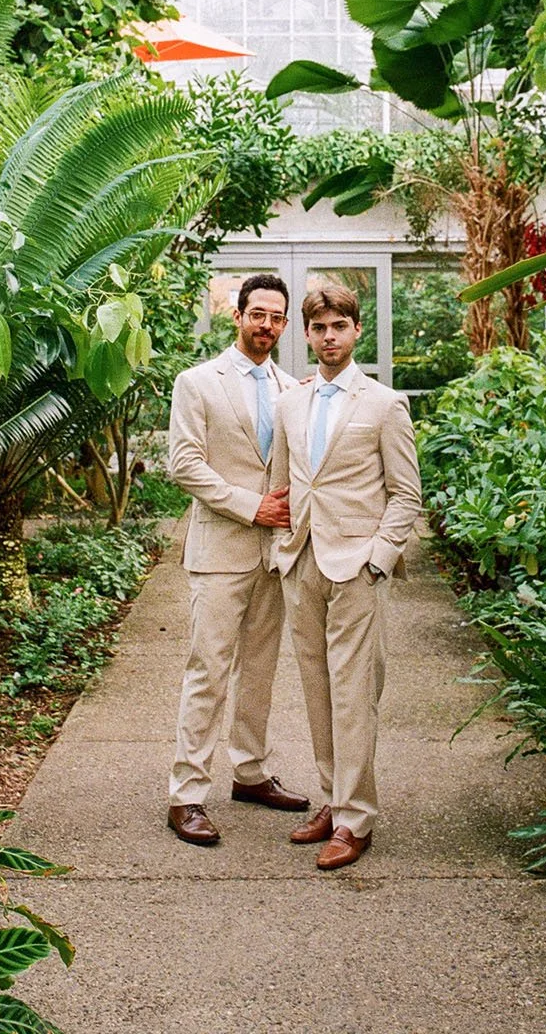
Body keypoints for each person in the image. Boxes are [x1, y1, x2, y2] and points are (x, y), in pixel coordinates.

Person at [270, 283, 422, 871]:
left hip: (355, 567)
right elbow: (281, 485)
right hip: (303, 561)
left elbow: (405, 495)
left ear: (357, 331)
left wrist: (377, 558)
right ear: (306, 335)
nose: (328, 336)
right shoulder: (291, 403)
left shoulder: (385, 405)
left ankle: (356, 820)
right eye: (318, 327)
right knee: (316, 690)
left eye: (339, 326)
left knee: (354, 694)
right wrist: (283, 550)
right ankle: (333, 802)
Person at [165, 273, 310, 845]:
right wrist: (253, 508)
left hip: (275, 557)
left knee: (260, 671)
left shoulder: (291, 389)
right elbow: (184, 463)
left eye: (277, 317)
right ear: (239, 315)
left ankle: (249, 773)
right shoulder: (197, 382)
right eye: (259, 314)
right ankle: (187, 795)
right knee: (207, 671)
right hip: (221, 550)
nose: (267, 325)